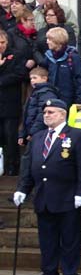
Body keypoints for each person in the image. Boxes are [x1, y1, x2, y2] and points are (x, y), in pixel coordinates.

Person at [13, 98, 81, 275]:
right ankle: (49, 273)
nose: (47, 115)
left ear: (63, 114)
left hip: (67, 196)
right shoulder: (38, 137)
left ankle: (70, 274)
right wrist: (23, 189)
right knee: (47, 239)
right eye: (45, 112)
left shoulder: (77, 135)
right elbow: (30, 167)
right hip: (44, 196)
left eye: (51, 112)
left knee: (69, 238)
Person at [0, 30, 25, 175]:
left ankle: (12, 166)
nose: (0, 46)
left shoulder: (15, 55)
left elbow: (19, 74)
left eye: (2, 43)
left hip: (10, 102)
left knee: (11, 136)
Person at [43, 27, 81, 108]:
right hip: (52, 97)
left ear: (57, 40)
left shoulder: (73, 57)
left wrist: (79, 101)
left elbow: (80, 79)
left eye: (49, 39)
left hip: (69, 99)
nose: (47, 42)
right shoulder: (48, 57)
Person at [18, 67, 59, 146]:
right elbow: (27, 115)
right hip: (32, 132)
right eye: (31, 78)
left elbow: (42, 115)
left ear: (44, 78)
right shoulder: (35, 92)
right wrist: (22, 134)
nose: (32, 80)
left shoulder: (46, 93)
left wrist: (33, 133)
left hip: (40, 133)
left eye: (35, 78)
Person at [34, 3, 77, 67]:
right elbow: (35, 49)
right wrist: (42, 61)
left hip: (63, 64)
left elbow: (70, 47)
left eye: (51, 15)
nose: (48, 18)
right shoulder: (42, 31)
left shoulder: (67, 29)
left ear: (58, 16)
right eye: (46, 15)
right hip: (44, 65)